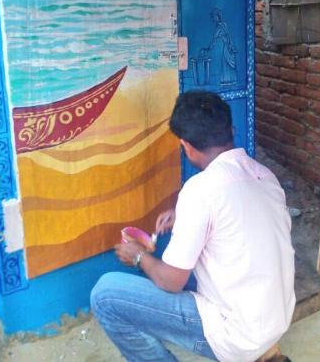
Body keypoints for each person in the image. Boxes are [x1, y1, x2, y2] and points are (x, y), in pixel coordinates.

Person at [91, 91, 296, 362]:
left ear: (186, 145)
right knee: (184, 264)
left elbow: (170, 282)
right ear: (231, 130)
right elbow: (239, 222)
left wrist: (138, 256)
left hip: (237, 337)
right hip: (276, 319)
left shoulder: (200, 190)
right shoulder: (264, 175)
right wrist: (184, 216)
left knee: (105, 295)